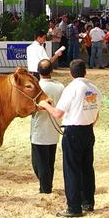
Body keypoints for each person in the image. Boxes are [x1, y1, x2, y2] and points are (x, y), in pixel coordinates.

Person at [38, 59, 102, 217]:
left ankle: (73, 207)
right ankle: (88, 202)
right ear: (85, 71)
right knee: (87, 168)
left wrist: (45, 105)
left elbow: (58, 113)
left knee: (72, 169)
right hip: (88, 130)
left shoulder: (72, 88)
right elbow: (96, 114)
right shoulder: (94, 89)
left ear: (71, 73)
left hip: (73, 131)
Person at [31, 59, 63, 194]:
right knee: (49, 161)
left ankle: (45, 188)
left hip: (39, 128)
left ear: (38, 71)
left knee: (39, 163)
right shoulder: (60, 87)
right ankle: (47, 185)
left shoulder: (36, 87)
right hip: (55, 127)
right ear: (52, 71)